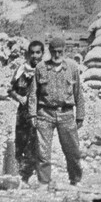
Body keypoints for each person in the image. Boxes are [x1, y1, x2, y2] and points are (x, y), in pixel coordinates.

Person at [31, 36, 85, 189]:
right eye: (53, 51)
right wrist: (32, 114)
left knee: (72, 150)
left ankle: (75, 179)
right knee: (43, 151)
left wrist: (80, 115)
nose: (56, 55)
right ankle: (43, 181)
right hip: (44, 113)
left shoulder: (73, 67)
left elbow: (78, 92)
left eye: (59, 51)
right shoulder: (41, 67)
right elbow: (33, 93)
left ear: (65, 51)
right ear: (49, 51)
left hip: (66, 113)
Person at [9, 40, 45, 184]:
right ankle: (19, 174)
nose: (35, 56)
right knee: (21, 142)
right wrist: (19, 97)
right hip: (23, 113)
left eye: (38, 52)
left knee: (36, 143)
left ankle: (31, 174)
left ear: (42, 53)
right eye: (32, 52)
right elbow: (10, 89)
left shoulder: (45, 70)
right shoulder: (21, 70)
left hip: (40, 112)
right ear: (28, 54)